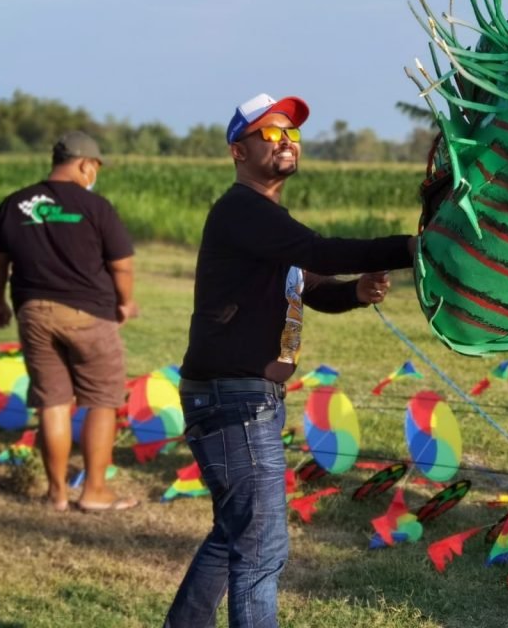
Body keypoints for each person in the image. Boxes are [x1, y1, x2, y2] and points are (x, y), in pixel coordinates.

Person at [164, 93, 417, 628]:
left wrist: (355, 293)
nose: (285, 141)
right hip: (234, 397)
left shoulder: (266, 218)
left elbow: (311, 283)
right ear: (238, 151)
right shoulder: (241, 209)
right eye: (270, 133)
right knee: (262, 550)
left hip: (244, 395)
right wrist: (414, 248)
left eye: (292, 133)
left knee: (235, 533)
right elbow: (320, 252)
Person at [0, 131, 139, 513]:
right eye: (96, 167)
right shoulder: (96, 207)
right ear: (86, 164)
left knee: (52, 403)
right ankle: (94, 491)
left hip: (34, 312)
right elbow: (121, 265)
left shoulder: (16, 203)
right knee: (102, 400)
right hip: (89, 313)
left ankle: (56, 494)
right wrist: (126, 302)